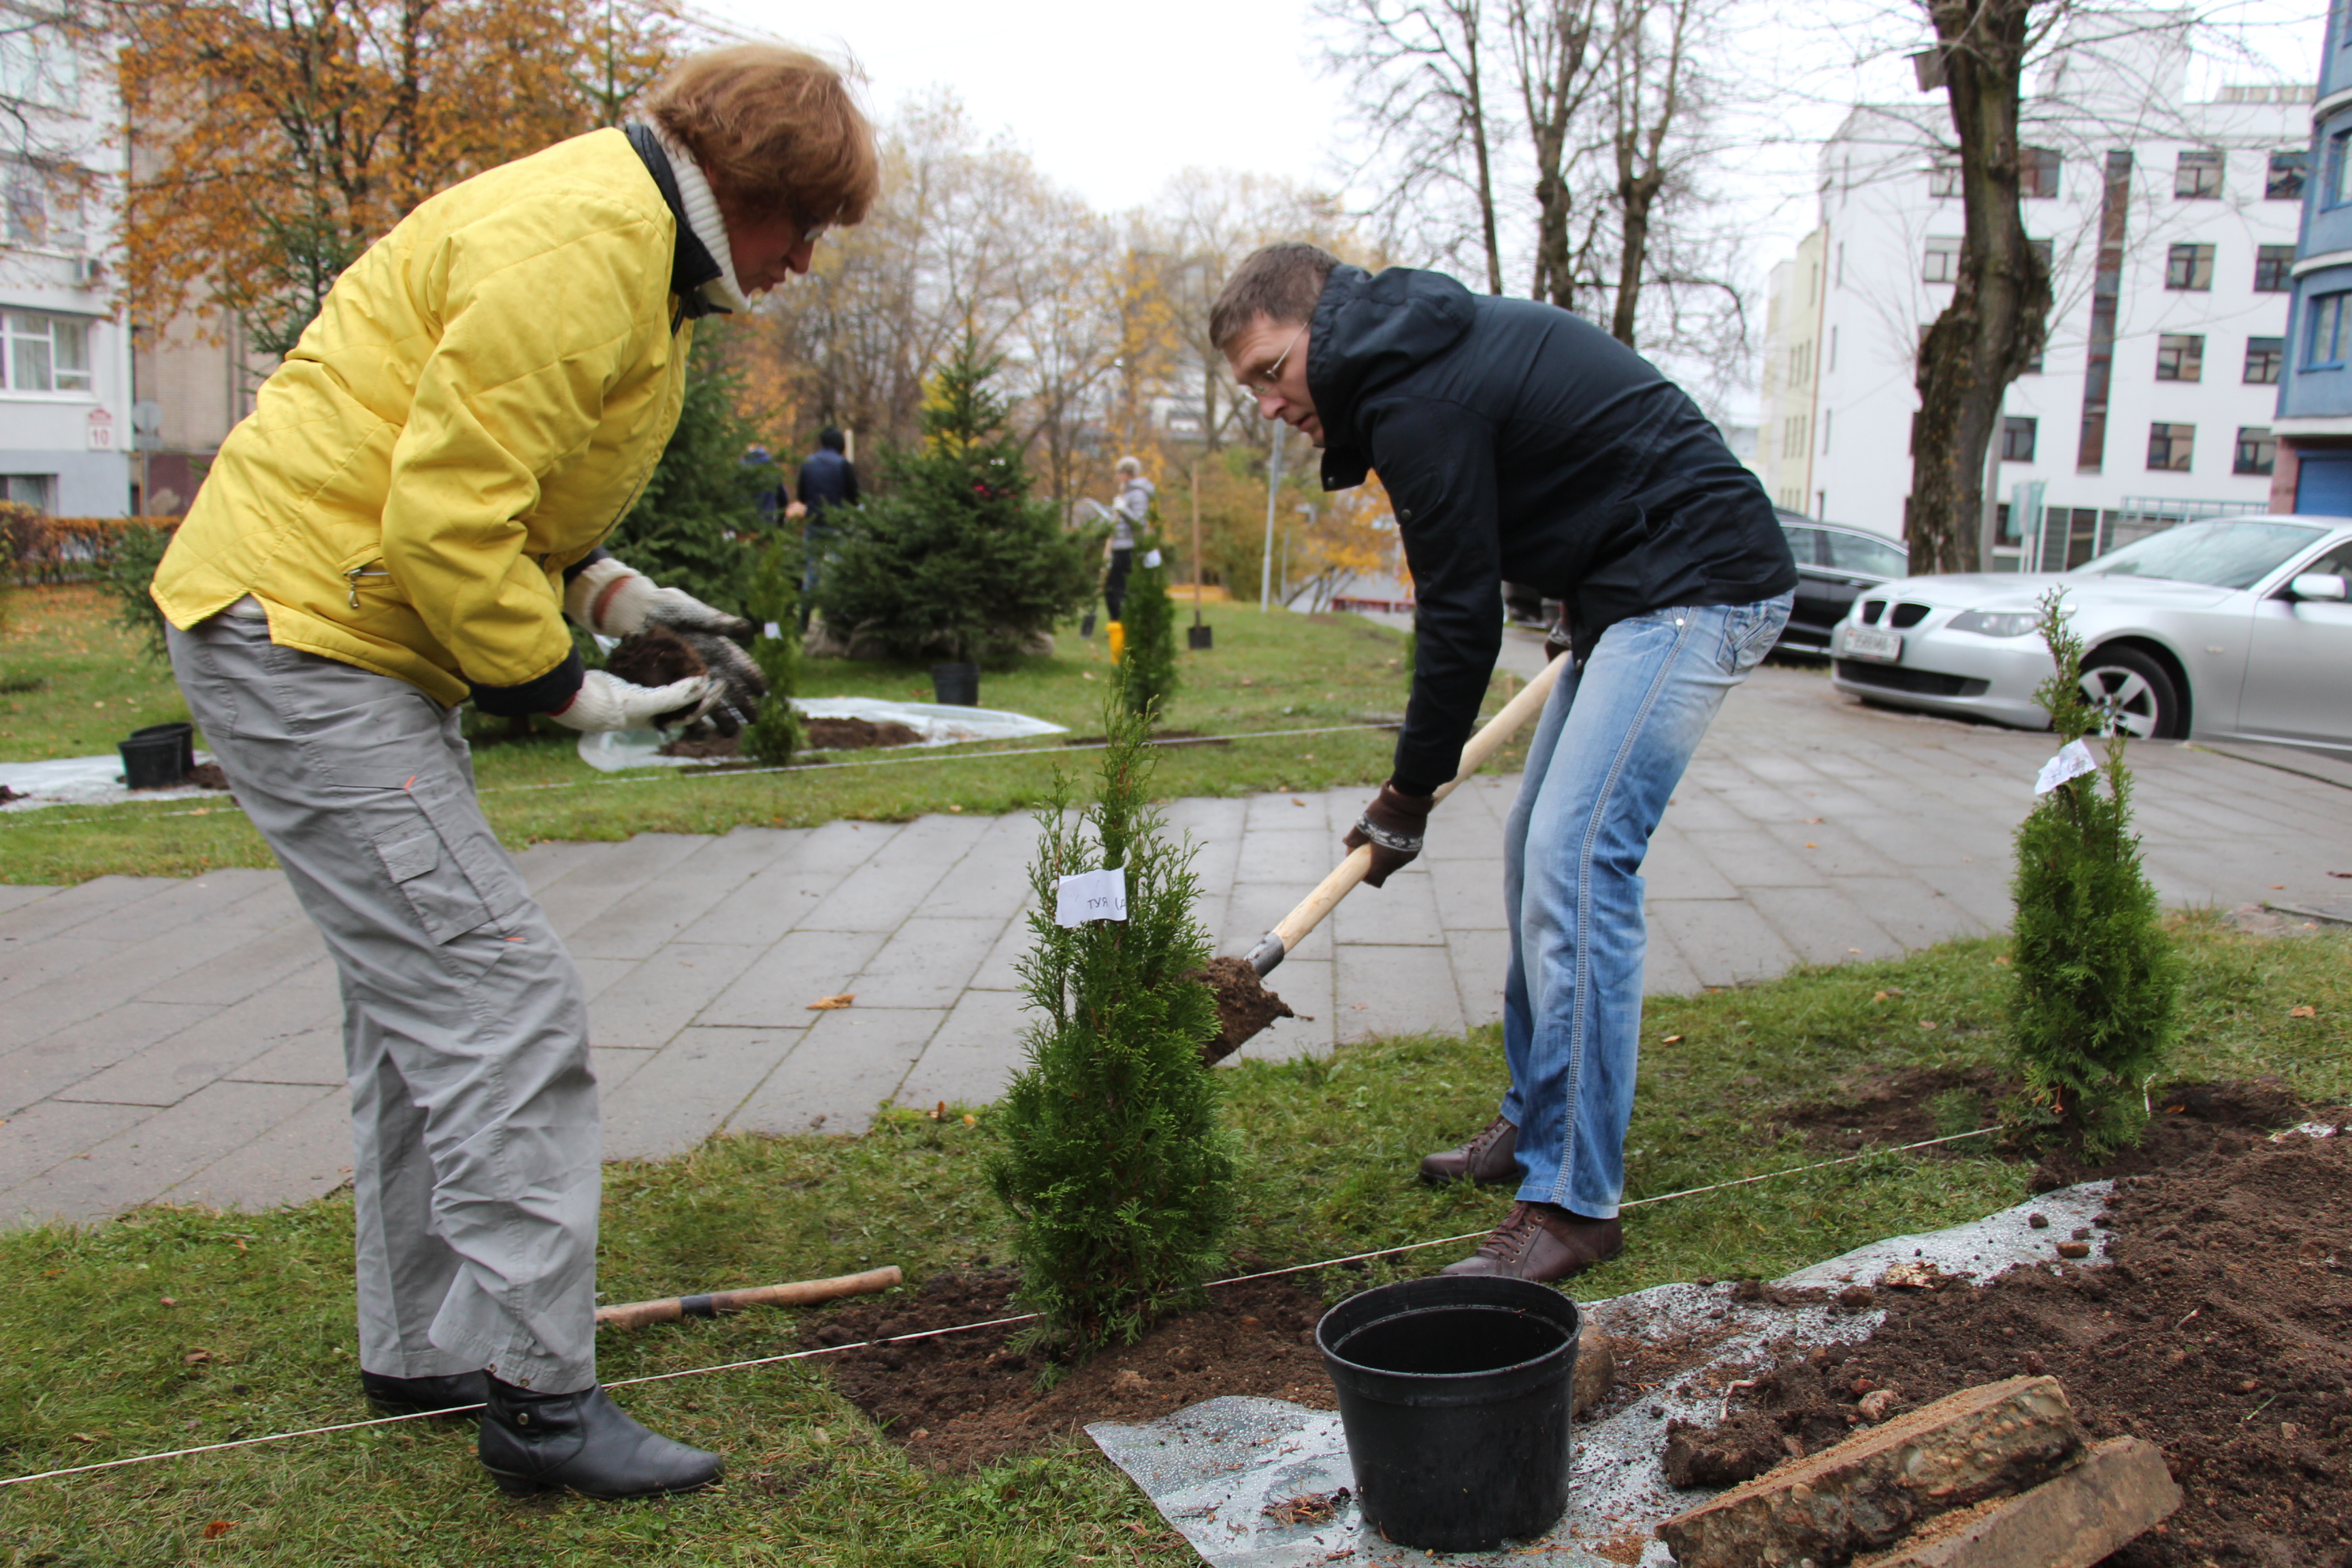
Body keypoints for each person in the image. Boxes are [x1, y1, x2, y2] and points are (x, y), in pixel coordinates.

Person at [149, 46, 879, 1499]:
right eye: (805, 225)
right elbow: (438, 521)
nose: (806, 260)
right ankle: (541, 1403)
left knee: (420, 1005)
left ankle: (426, 1341)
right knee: (503, 997)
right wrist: (566, 690)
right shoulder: (589, 247)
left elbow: (495, 479)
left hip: (326, 626)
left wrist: (623, 600)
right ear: (745, 186)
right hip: (309, 635)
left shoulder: (633, 243)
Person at [1210, 243, 1796, 1285]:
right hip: (1632, 588)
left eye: (1270, 371)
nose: (1266, 404)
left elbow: (1459, 617)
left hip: (1700, 580)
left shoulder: (1411, 399)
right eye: (1249, 385)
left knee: (1580, 860)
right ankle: (1537, 1123)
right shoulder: (1412, 360)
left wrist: (1407, 796)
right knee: (1539, 847)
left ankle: (1572, 1201)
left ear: (1323, 327)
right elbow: (1573, 464)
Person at [793, 425, 859, 620]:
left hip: (814, 523)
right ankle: (835, 619)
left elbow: (802, 497)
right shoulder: (844, 465)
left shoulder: (808, 463)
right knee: (837, 572)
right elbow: (855, 498)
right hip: (837, 524)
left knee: (812, 572)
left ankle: (803, 620)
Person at [1083, 455, 1152, 637]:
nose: (1117, 477)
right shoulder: (1124, 494)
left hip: (1129, 549)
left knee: (1117, 588)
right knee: (1112, 588)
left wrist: (1124, 510)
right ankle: (1118, 623)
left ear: (1127, 474)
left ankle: (1123, 624)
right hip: (1116, 547)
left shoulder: (1138, 494)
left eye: (1120, 473)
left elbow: (1139, 523)